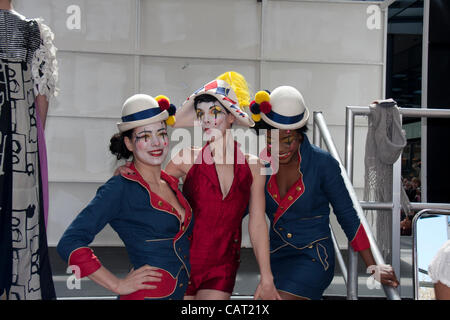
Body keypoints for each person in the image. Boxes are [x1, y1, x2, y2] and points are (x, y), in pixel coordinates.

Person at [249, 85, 400, 300]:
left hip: (314, 257)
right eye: (271, 138)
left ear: (300, 134)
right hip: (276, 259)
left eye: (287, 139)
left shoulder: (323, 164)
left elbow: (348, 216)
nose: (279, 147)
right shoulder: (261, 166)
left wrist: (374, 266)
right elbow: (240, 210)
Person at [140, 71, 278, 300]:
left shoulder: (254, 166)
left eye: (214, 113)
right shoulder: (185, 158)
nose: (205, 120)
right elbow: (149, 196)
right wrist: (130, 171)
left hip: (222, 266)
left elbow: (257, 224)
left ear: (232, 117)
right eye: (201, 114)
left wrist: (267, 277)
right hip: (180, 260)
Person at [57, 94, 193, 300]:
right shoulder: (119, 188)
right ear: (129, 143)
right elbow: (69, 243)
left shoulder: (171, 183)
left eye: (161, 133)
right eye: (145, 136)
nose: (156, 143)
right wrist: (117, 284)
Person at [0, 0, 58, 300]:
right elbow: (42, 98)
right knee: (21, 230)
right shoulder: (31, 31)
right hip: (18, 149)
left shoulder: (30, 31)